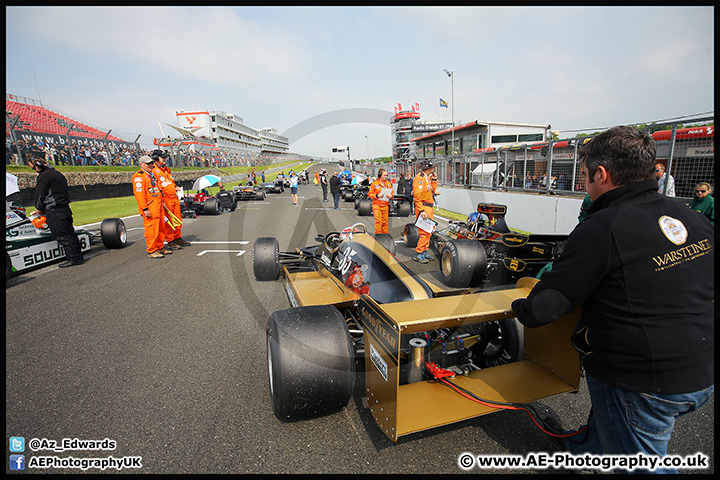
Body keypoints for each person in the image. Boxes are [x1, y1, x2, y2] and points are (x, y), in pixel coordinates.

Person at [511, 126, 714, 474]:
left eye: (585, 176)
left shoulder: (602, 228)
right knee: (614, 421)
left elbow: (546, 307)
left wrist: (519, 305)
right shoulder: (690, 216)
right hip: (704, 369)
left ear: (601, 175)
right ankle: (582, 451)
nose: (584, 184)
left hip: (645, 383)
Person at [28, 154, 84, 267]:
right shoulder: (57, 173)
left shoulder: (44, 176)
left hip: (55, 210)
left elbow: (40, 195)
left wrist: (39, 208)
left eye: (34, 168)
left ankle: (73, 259)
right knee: (70, 233)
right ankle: (77, 257)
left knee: (62, 235)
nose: (34, 170)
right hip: (64, 208)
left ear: (38, 165)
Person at [133, 155, 173, 259]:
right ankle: (152, 250)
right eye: (148, 164)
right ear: (142, 164)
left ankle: (159, 247)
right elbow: (139, 194)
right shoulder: (139, 176)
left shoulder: (151, 175)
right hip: (150, 208)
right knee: (152, 229)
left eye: (151, 163)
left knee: (160, 228)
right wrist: (145, 209)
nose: (151, 165)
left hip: (158, 206)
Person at [152, 150, 190, 247]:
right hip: (165, 199)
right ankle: (170, 240)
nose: (165, 159)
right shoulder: (153, 171)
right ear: (156, 158)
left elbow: (170, 182)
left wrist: (175, 187)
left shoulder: (166, 170)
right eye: (162, 158)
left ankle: (177, 237)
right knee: (168, 221)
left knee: (177, 219)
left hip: (174, 197)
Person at [412, 160, 440, 263]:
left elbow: (433, 191)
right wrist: (421, 210)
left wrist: (434, 180)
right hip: (423, 207)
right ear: (429, 168)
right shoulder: (420, 178)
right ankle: (418, 253)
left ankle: (424, 251)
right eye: (432, 168)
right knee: (424, 232)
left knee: (428, 231)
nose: (433, 169)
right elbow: (417, 196)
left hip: (429, 207)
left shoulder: (427, 178)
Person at [368, 168, 392, 234]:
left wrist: (391, 196)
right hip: (377, 205)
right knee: (378, 221)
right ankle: (378, 235)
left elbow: (392, 193)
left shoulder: (388, 183)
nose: (386, 177)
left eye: (386, 175)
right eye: (384, 175)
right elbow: (370, 194)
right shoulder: (374, 184)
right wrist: (377, 195)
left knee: (385, 222)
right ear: (380, 175)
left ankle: (385, 235)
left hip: (385, 205)